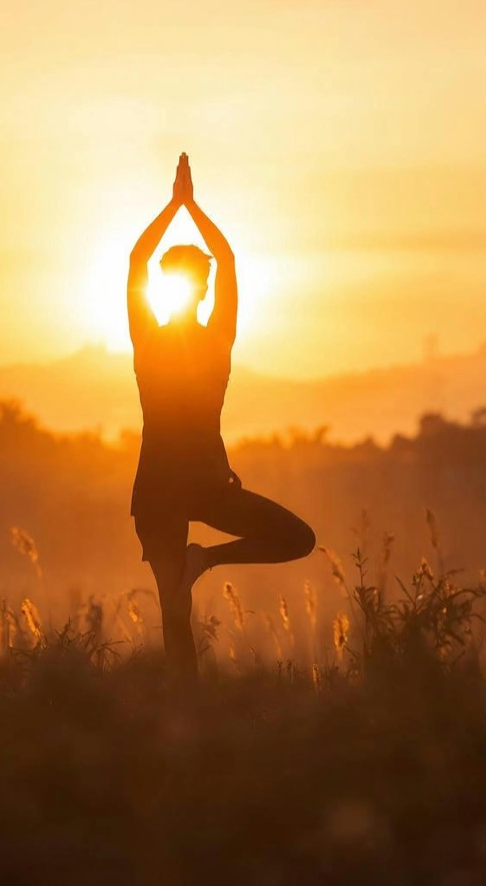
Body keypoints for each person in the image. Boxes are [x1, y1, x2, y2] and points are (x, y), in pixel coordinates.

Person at [127, 153, 315, 683]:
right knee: (178, 607)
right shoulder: (213, 341)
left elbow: (138, 260)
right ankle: (205, 563)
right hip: (187, 484)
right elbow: (224, 259)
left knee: (175, 613)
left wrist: (176, 207)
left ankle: (202, 568)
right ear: (202, 289)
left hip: (179, 483)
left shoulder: (155, 341)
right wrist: (188, 207)